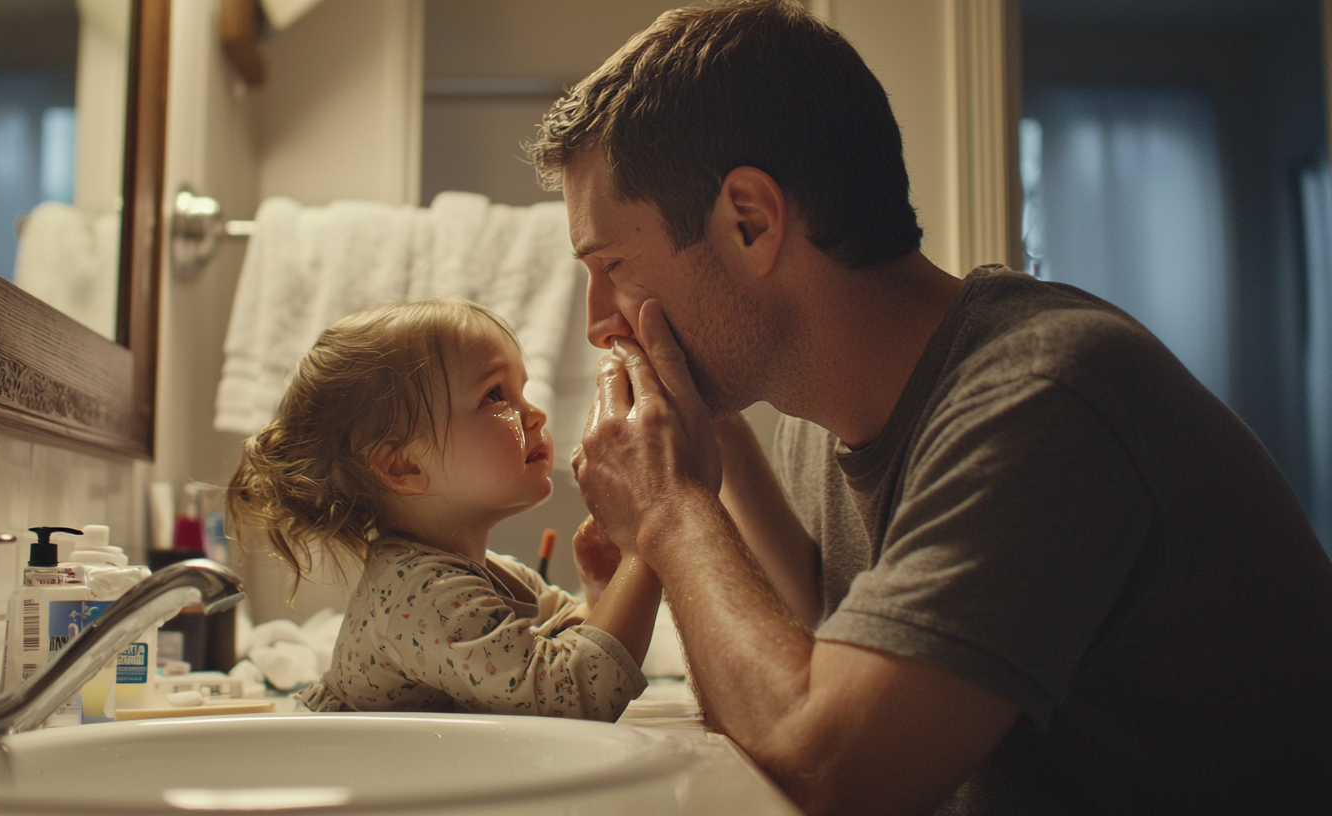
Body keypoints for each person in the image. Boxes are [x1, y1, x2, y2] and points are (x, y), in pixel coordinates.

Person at [527, 0, 1332, 813]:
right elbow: (830, 627)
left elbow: (834, 769)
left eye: (613, 264)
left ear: (750, 221)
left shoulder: (1043, 398)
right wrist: (713, 439)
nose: (599, 322)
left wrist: (670, 510)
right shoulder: (824, 407)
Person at [227, 299, 660, 721]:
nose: (534, 414)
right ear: (403, 465)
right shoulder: (421, 596)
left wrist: (601, 594)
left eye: (521, 391)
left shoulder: (489, 575)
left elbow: (558, 652)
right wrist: (649, 542)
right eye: (495, 396)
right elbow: (574, 694)